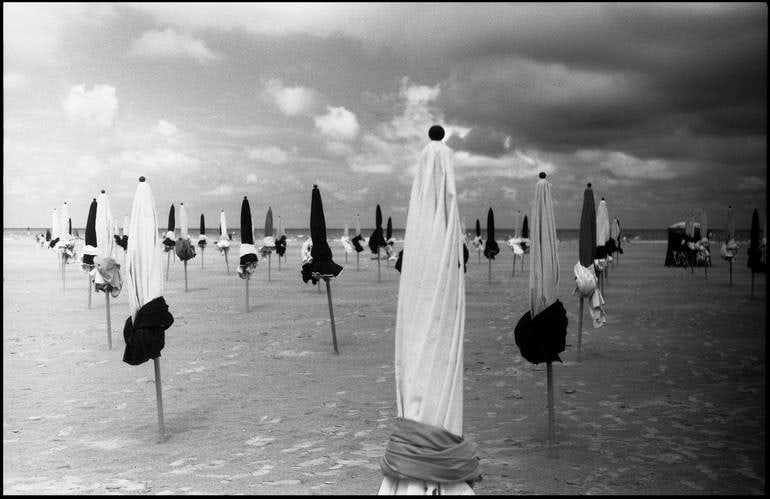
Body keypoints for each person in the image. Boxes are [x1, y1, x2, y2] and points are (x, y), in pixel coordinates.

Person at [378, 125, 480, 495]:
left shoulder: (420, 247)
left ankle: (426, 465)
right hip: (436, 421)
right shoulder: (444, 239)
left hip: (424, 288)